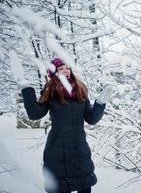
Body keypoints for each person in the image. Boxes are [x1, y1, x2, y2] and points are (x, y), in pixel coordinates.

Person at [17, 57, 114, 193]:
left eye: (67, 68)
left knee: (85, 188)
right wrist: (27, 90)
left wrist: (100, 103)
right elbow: (35, 114)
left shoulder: (81, 90)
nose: (65, 71)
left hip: (80, 151)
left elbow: (91, 119)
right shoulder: (50, 91)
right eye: (60, 69)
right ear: (54, 73)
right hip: (57, 151)